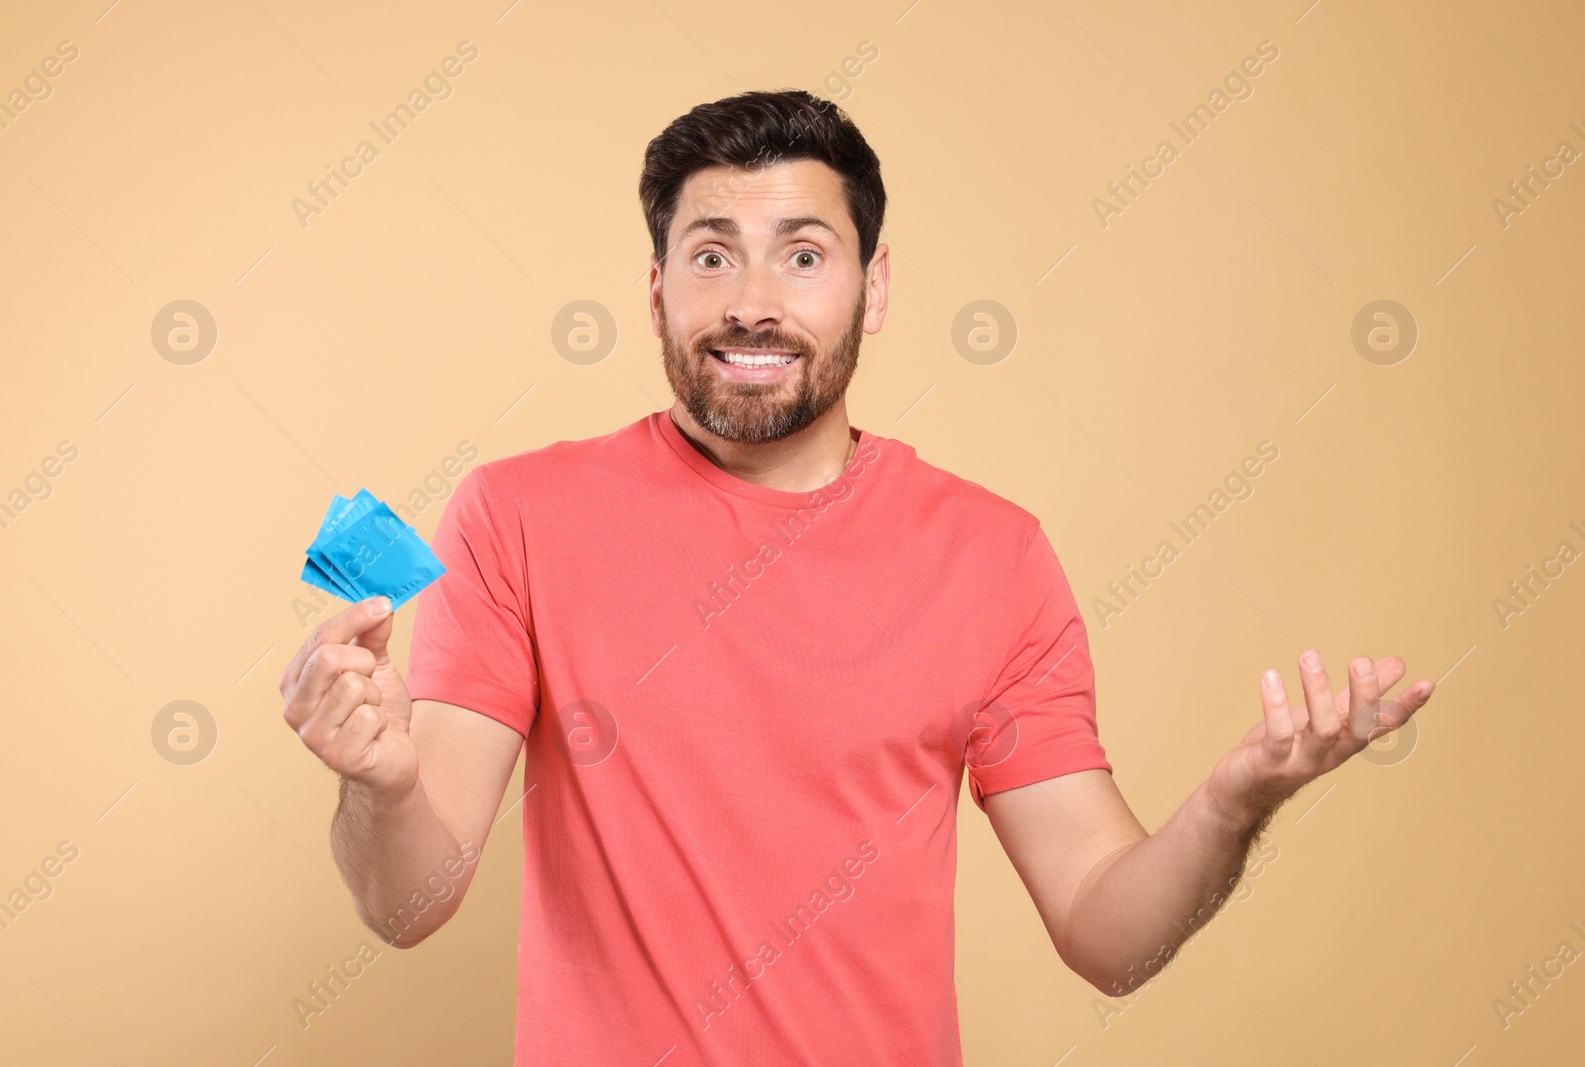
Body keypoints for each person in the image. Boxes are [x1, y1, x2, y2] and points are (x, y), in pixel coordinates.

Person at [277, 89, 1435, 1065]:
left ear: (873, 288)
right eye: (712, 252)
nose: (751, 303)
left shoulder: (992, 555)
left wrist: (1235, 804)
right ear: (657, 288)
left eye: (803, 255)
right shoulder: (519, 512)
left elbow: (1105, 933)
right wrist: (380, 785)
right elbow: (409, 905)